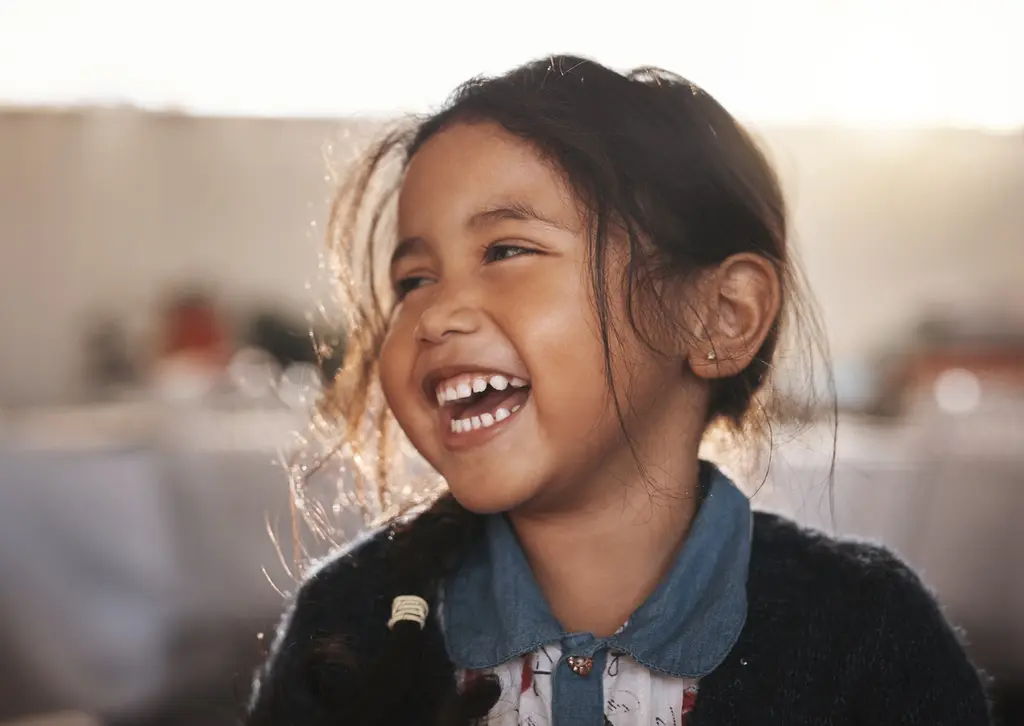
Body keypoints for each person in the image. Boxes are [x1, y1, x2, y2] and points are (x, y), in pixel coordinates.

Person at [246, 56, 990, 725]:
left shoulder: (865, 635)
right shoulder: (348, 622)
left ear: (721, 316)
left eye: (506, 249)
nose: (435, 314)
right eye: (413, 279)